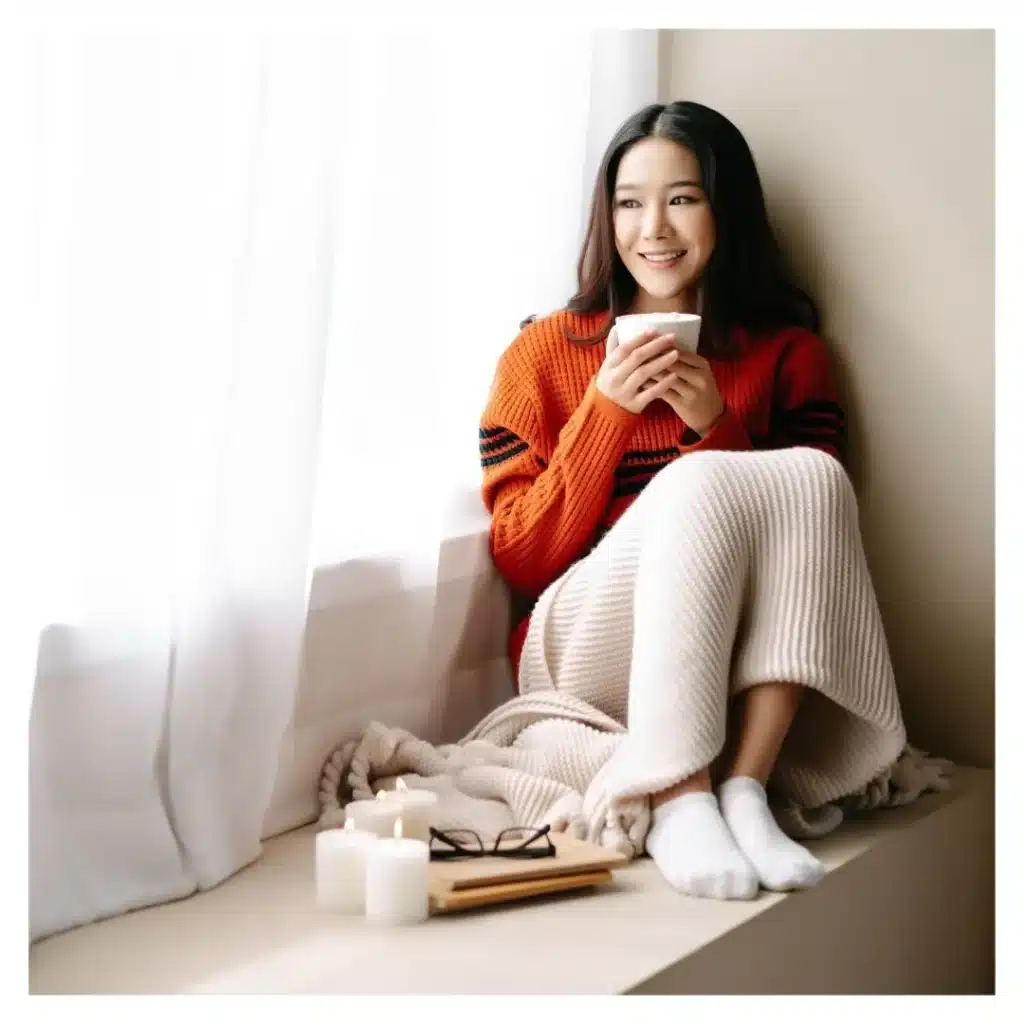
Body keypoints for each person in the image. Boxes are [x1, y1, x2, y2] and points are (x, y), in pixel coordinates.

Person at [478, 101, 906, 901]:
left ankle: (742, 789)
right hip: (579, 643)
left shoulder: (789, 355)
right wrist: (606, 413)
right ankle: (678, 798)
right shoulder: (541, 353)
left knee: (815, 476)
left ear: (724, 207)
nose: (654, 229)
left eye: (683, 198)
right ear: (606, 219)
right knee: (700, 482)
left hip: (731, 653)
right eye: (630, 203)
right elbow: (521, 554)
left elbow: (808, 556)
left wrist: (717, 423)